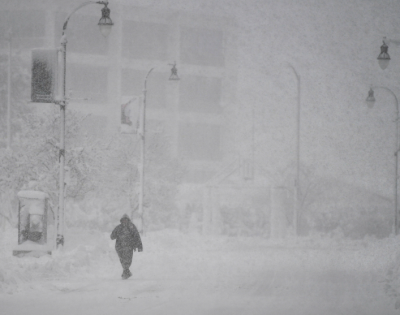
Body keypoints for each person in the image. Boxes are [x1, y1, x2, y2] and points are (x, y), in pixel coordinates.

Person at [110, 214, 143, 279]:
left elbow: (137, 236)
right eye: (123, 220)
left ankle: (126, 272)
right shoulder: (118, 227)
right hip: (119, 247)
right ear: (121, 221)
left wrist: (139, 246)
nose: (124, 221)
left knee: (128, 260)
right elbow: (112, 236)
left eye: (126, 220)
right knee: (122, 259)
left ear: (128, 220)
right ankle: (126, 272)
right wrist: (115, 234)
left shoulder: (132, 227)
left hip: (129, 247)